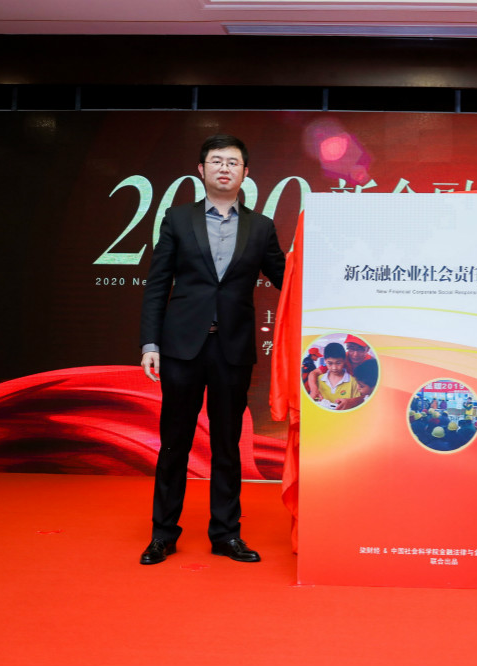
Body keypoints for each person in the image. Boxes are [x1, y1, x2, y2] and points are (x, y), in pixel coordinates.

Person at [138, 134, 285, 566]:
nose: (225, 168)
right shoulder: (177, 219)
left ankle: (226, 533)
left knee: (226, 444)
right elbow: (157, 285)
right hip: (181, 348)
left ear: (245, 173)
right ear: (201, 170)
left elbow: (288, 279)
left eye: (233, 162)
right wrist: (150, 343)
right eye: (217, 161)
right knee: (175, 443)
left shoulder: (261, 227)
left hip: (232, 349)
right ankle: (163, 534)